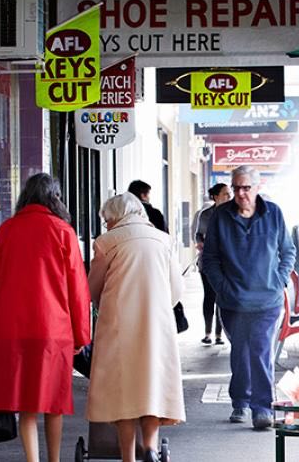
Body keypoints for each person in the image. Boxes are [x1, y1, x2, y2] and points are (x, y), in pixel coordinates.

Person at [0, 173, 90, 462]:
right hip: (53, 330)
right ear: (55, 197)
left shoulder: (7, 230)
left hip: (12, 330)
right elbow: (77, 289)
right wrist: (81, 335)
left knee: (26, 405)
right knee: (53, 404)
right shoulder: (63, 232)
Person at [88, 193, 185, 462]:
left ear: (116, 217)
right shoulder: (163, 240)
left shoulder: (106, 242)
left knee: (123, 392)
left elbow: (92, 288)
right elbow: (176, 290)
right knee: (151, 386)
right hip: (158, 326)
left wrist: (103, 306)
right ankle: (151, 449)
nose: (106, 225)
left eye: (107, 220)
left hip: (119, 326)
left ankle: (129, 457)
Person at [201, 165, 296, 431]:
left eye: (246, 188)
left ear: (258, 187)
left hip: (268, 299)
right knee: (241, 352)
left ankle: (262, 408)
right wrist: (223, 287)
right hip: (233, 301)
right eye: (237, 188)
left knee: (261, 352)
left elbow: (288, 251)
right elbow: (209, 259)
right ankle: (240, 399)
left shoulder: (274, 213)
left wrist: (278, 281)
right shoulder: (221, 216)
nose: (241, 193)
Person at [191, 183, 232, 345]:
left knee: (222, 298)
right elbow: (198, 235)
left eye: (229, 194)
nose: (229, 197)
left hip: (227, 263)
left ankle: (219, 335)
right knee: (209, 296)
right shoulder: (206, 214)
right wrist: (200, 243)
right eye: (225, 194)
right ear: (215, 196)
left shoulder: (233, 213)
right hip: (207, 262)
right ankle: (207, 332)